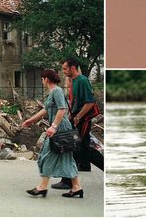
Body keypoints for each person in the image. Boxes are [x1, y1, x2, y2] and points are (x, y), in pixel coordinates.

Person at [22, 69, 83, 198]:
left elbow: (62, 109)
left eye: (42, 79)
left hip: (60, 128)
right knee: (66, 158)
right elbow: (46, 109)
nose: (42, 81)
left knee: (46, 155)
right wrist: (31, 120)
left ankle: (42, 187)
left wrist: (54, 127)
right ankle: (77, 187)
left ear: (46, 79)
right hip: (57, 127)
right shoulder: (52, 92)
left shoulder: (57, 91)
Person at [51, 58, 104, 190]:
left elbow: (90, 102)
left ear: (72, 68)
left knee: (78, 148)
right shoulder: (73, 81)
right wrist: (71, 115)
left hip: (83, 119)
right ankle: (82, 167)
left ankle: (68, 180)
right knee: (80, 148)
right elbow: (74, 102)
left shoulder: (82, 80)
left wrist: (79, 116)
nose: (63, 71)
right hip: (76, 118)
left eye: (65, 68)